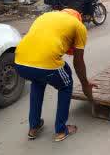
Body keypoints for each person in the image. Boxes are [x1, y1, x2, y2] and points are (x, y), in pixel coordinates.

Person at [13, 8, 95, 141]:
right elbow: (78, 61)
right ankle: (61, 130)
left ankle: (34, 127)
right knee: (66, 85)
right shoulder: (78, 26)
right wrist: (85, 84)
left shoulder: (45, 16)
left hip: (20, 62)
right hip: (46, 63)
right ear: (78, 17)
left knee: (38, 81)